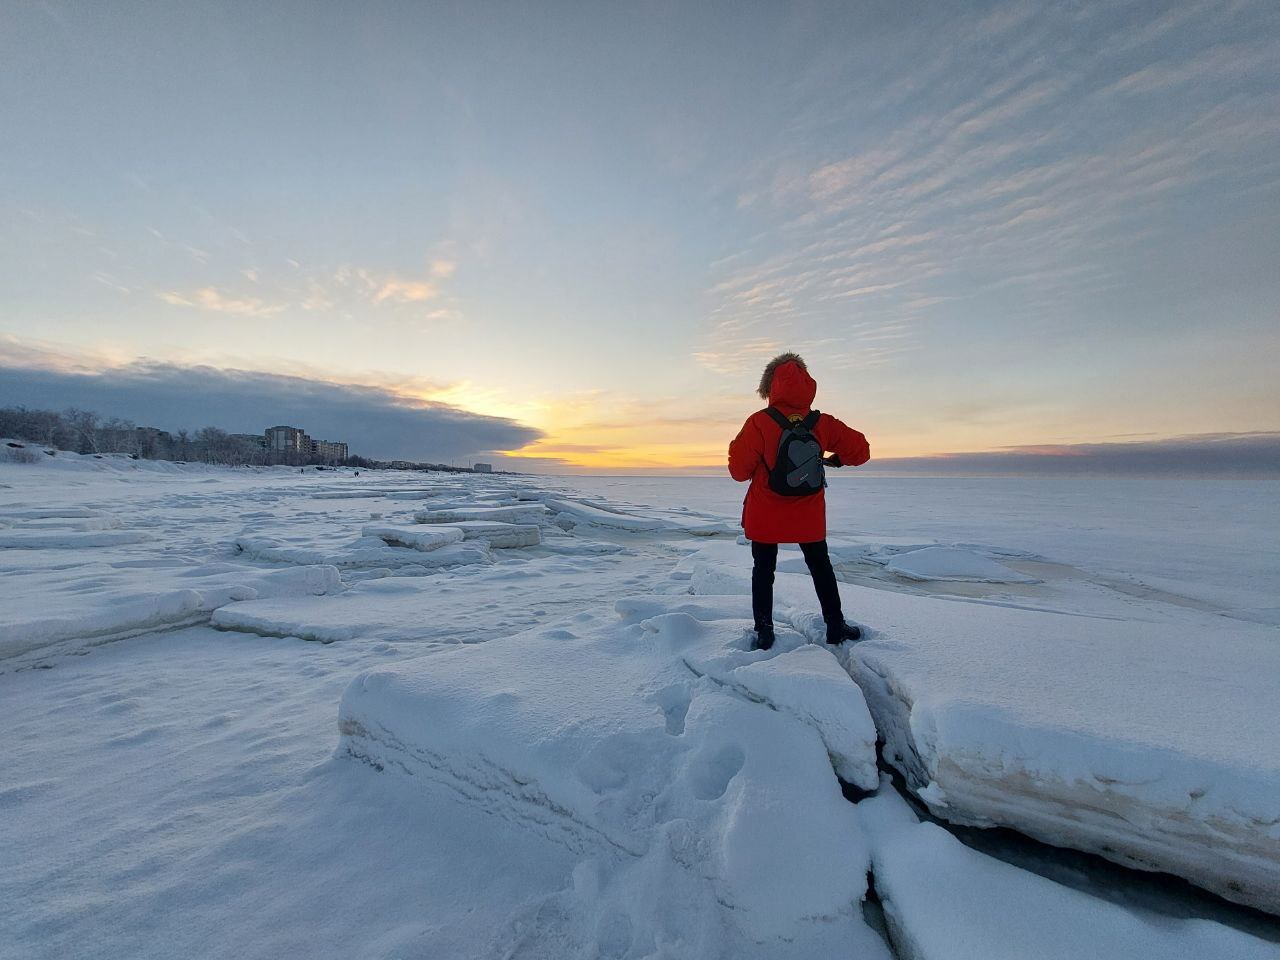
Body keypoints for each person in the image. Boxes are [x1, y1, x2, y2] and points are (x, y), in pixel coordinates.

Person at [728, 352, 870, 650]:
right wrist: (837, 459)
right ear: (808, 383)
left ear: (769, 387)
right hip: (808, 515)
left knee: (763, 570)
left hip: (766, 512)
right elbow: (861, 450)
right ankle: (835, 626)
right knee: (821, 567)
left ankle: (764, 632)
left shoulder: (759, 423)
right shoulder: (822, 423)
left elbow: (738, 471)